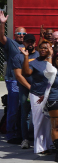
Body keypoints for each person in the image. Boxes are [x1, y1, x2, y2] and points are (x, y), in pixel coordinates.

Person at [16, 39, 54, 155]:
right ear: (38, 49)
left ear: (50, 49)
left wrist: (51, 56)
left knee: (49, 122)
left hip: (49, 95)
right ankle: (40, 147)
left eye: (46, 48)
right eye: (41, 47)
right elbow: (26, 73)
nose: (43, 49)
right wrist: (26, 57)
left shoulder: (53, 61)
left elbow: (51, 73)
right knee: (39, 121)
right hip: (37, 94)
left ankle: (49, 145)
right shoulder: (34, 62)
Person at [0, 10, 25, 145]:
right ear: (15, 35)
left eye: (23, 34)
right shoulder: (11, 43)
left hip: (24, 80)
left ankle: (21, 132)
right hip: (13, 79)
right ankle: (10, 134)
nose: (21, 36)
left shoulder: (27, 46)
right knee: (13, 108)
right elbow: (2, 38)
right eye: (19, 34)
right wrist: (2, 24)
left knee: (23, 108)